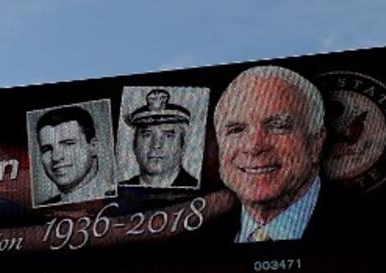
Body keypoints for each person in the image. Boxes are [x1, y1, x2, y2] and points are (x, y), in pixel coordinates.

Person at [213, 65, 329, 243]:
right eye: (236, 130)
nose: (253, 147)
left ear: (316, 143)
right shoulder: (191, 241)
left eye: (277, 126)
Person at [33, 105, 112, 205]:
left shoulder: (124, 199)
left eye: (68, 144)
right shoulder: (40, 211)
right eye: (47, 149)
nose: (56, 157)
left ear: (93, 147)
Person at [121, 89, 199, 188]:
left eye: (168, 136)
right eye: (147, 135)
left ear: (183, 145)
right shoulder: (121, 188)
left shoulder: (196, 187)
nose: (156, 145)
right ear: (134, 144)